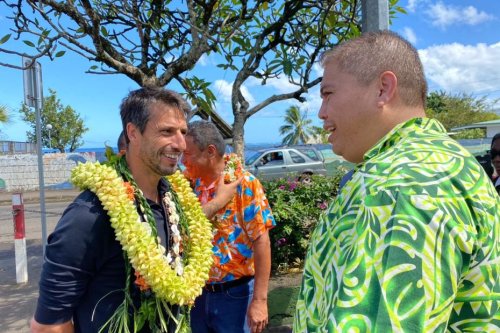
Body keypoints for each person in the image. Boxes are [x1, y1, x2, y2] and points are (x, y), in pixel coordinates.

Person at [294, 30, 500, 332]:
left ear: (383, 89)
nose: (321, 112)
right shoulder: (432, 163)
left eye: (328, 94)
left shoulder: (404, 183)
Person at [31, 87, 213, 332]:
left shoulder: (175, 200)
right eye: (167, 131)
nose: (181, 144)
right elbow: (49, 326)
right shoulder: (88, 215)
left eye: (183, 132)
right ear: (133, 132)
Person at [182, 120, 275, 333]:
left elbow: (262, 242)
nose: (182, 160)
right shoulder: (188, 184)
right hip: (196, 295)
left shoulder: (244, 184)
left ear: (210, 152)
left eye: (187, 154)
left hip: (235, 294)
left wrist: (260, 300)